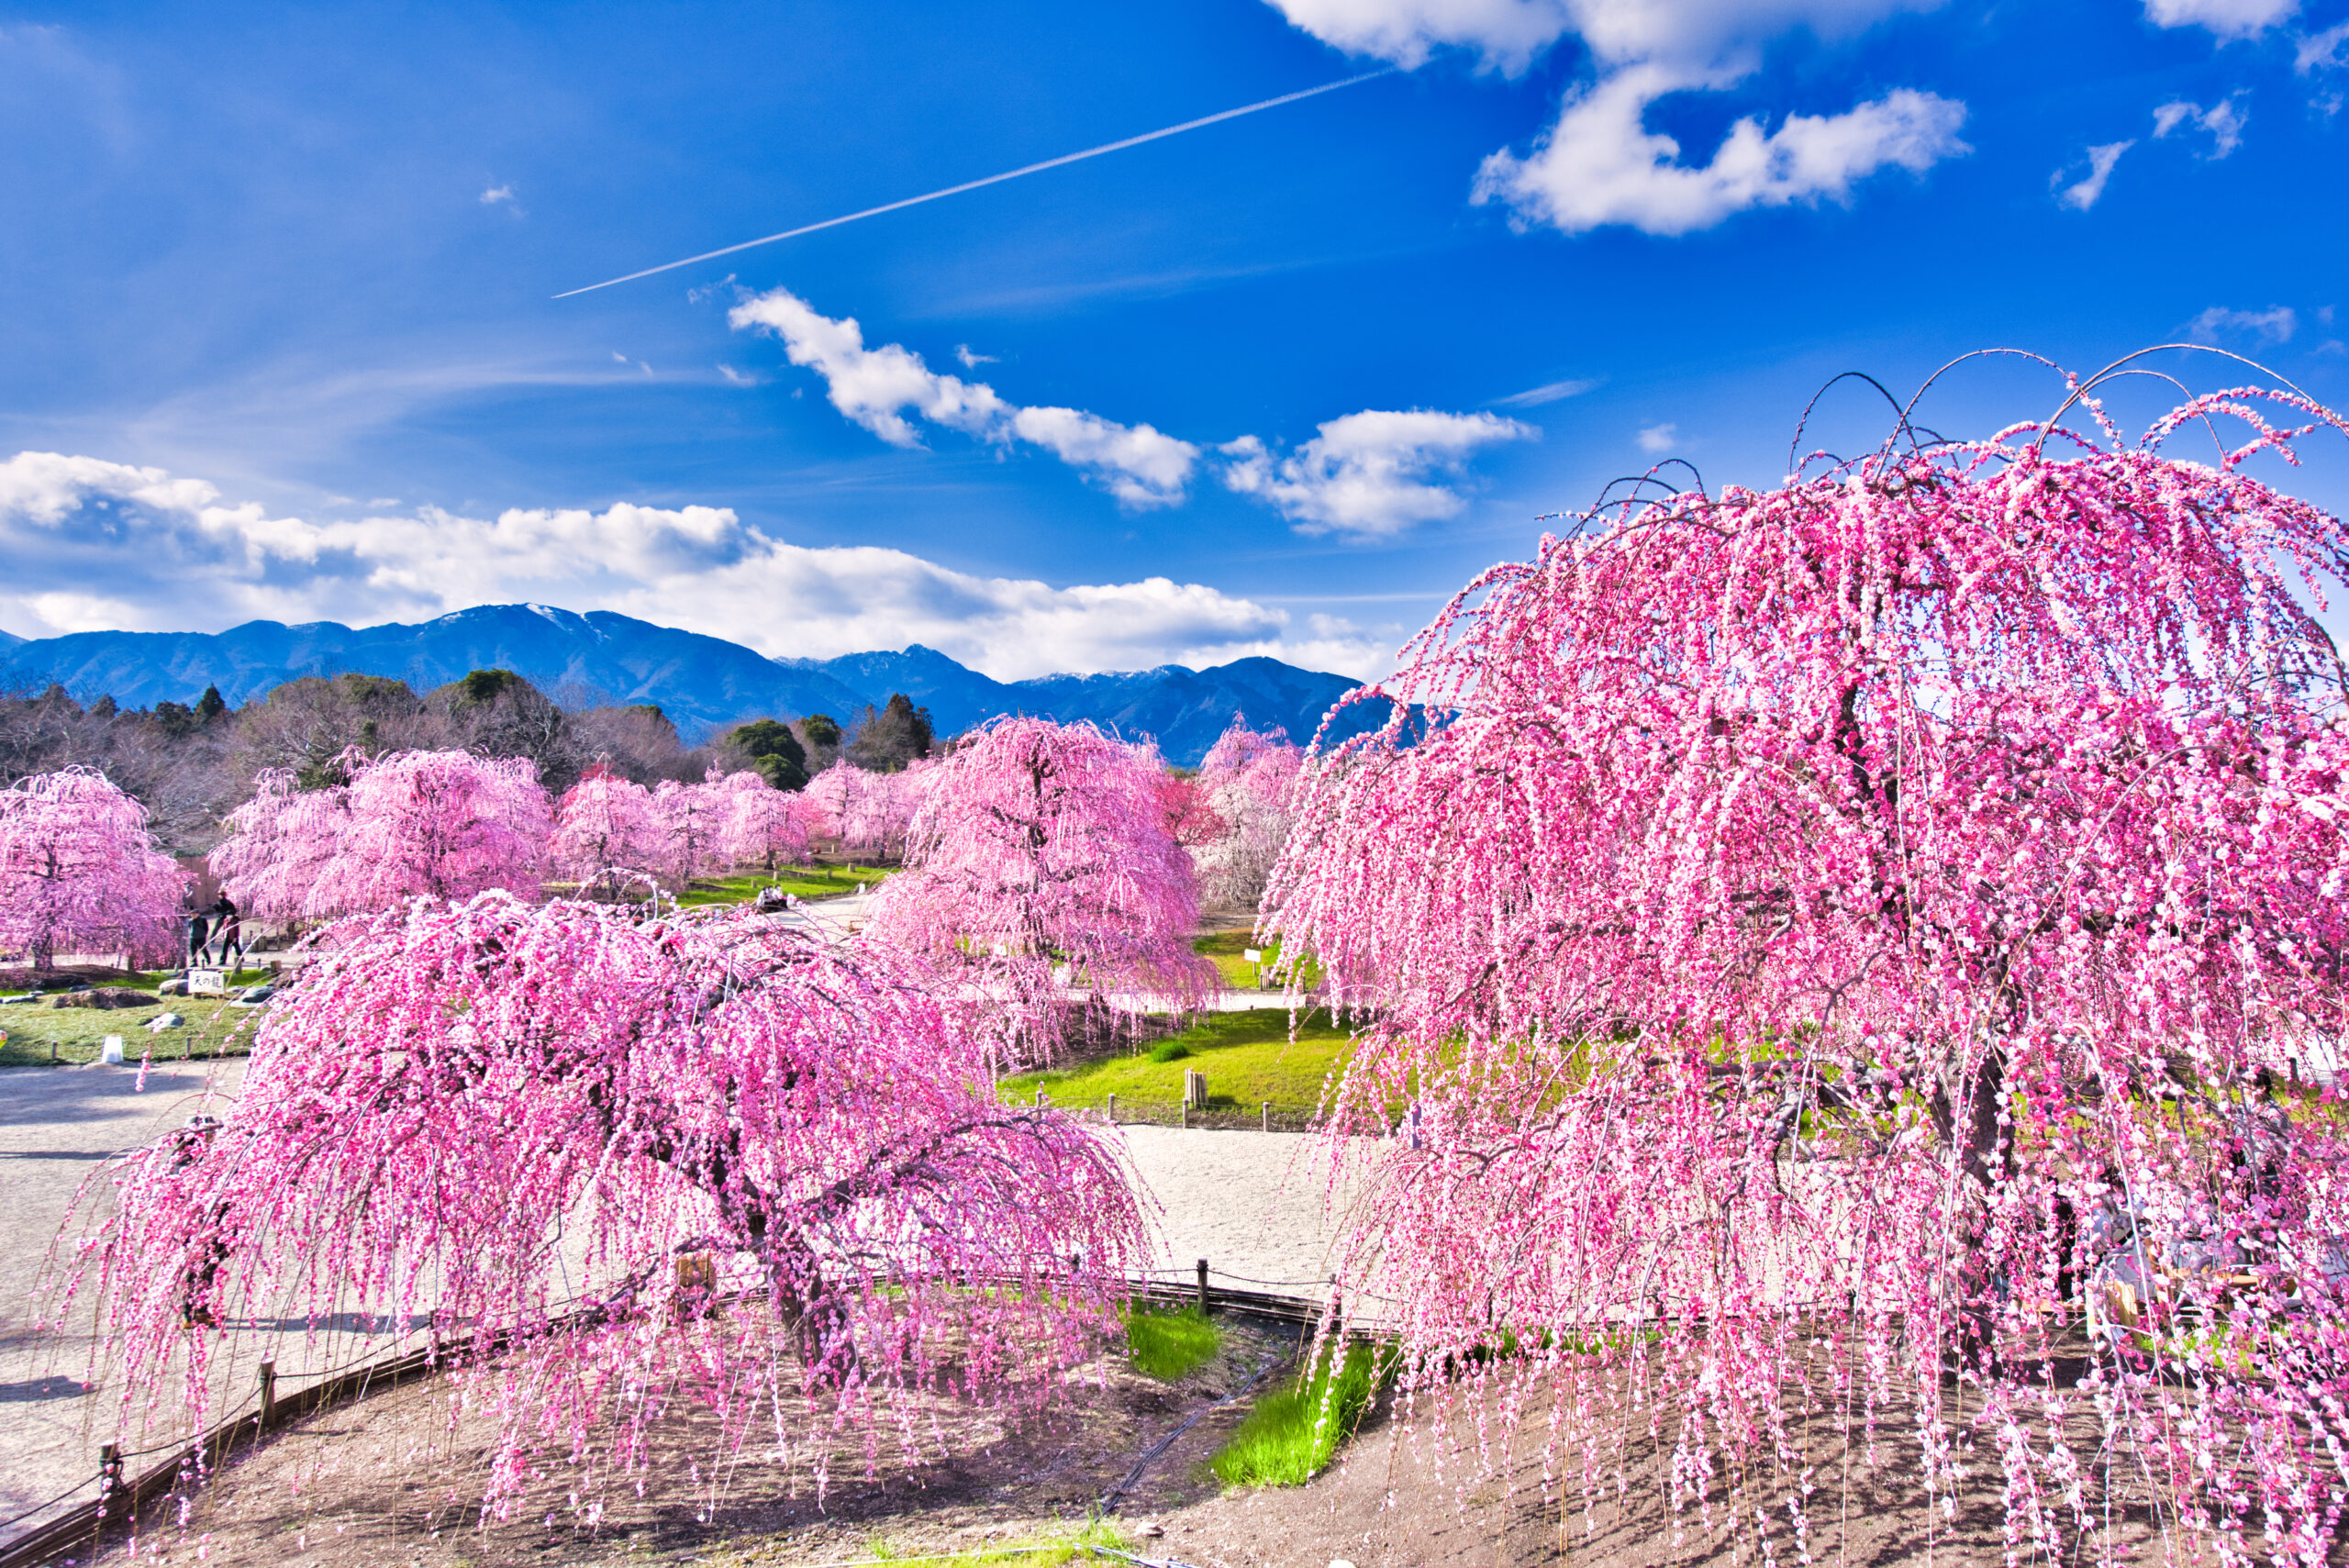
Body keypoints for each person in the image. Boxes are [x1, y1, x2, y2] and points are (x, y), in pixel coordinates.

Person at [208, 897, 245, 970]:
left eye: (230, 915)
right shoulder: (225, 920)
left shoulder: (235, 921)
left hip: (233, 937)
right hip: (227, 936)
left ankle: (241, 958)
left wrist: (235, 937)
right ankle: (222, 961)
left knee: (237, 949)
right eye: (228, 915)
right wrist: (223, 936)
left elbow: (237, 930)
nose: (228, 917)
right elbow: (224, 929)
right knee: (224, 949)